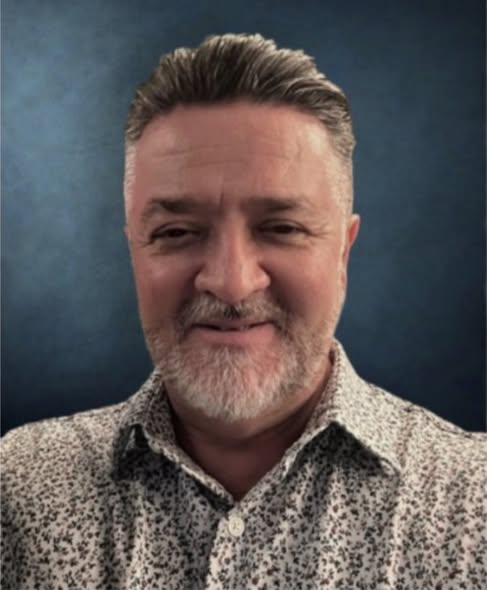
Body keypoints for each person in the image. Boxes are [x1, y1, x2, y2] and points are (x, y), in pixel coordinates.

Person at [1, 33, 485, 589]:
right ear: (134, 249)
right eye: (176, 232)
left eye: (281, 228)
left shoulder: (472, 507)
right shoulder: (18, 489)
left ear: (343, 254)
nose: (231, 283)